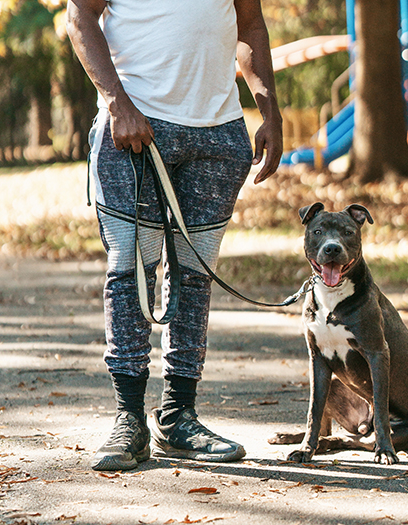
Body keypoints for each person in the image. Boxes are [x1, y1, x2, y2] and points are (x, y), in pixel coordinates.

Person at [66, 0, 283, 471]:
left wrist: (270, 110)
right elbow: (79, 16)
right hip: (135, 128)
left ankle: (178, 415)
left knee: (194, 275)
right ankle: (128, 418)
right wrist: (116, 103)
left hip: (219, 134)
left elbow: (250, 25)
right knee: (132, 269)